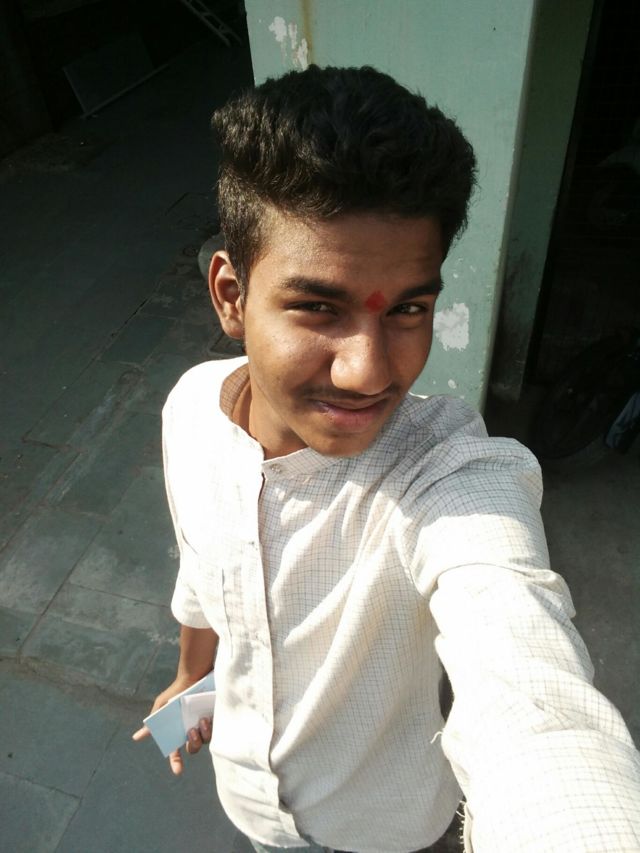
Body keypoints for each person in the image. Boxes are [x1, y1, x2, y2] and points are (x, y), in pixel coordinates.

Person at [134, 65, 640, 852]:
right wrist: (190, 679)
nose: (369, 372)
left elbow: (532, 689)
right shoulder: (190, 411)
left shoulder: (448, 474)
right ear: (230, 295)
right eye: (317, 307)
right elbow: (201, 579)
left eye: (408, 308)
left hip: (391, 831)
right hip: (250, 811)